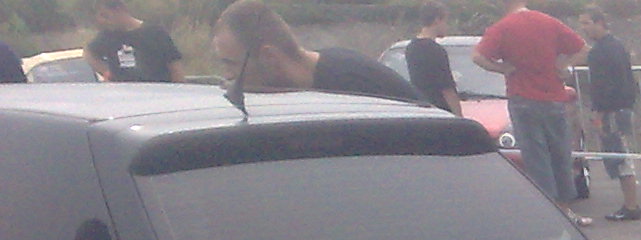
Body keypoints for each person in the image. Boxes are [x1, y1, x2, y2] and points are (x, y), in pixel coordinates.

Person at [475, 2, 589, 221]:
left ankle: (547, 212)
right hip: (554, 98)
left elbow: (478, 57)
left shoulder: (502, 27)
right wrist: (564, 66)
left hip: (523, 99)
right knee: (560, 155)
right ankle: (565, 209)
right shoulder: (549, 22)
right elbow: (583, 49)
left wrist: (502, 68)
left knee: (536, 159)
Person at [212, 1, 425, 101]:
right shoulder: (324, 75)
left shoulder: (347, 88)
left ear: (269, 57)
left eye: (232, 64)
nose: (228, 76)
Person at [578, 9, 641, 222]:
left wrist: (599, 111)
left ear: (600, 22)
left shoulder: (602, 51)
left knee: (620, 157)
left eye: (587, 23)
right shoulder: (616, 46)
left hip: (612, 111)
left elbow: (605, 85)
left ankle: (632, 206)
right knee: (620, 156)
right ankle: (630, 204)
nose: (584, 29)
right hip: (620, 108)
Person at [85, 2, 182, 83]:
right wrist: (106, 72)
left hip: (157, 93)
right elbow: (89, 53)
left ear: (120, 10)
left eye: (105, 16)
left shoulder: (156, 33)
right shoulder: (107, 36)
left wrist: (178, 91)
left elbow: (175, 67)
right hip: (124, 96)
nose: (103, 21)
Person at [405, 2, 462, 112]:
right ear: (437, 20)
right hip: (441, 109)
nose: (447, 26)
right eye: (445, 21)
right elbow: (447, 89)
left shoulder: (411, 47)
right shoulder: (436, 50)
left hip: (422, 107)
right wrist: (458, 115)